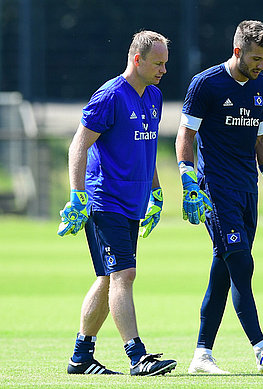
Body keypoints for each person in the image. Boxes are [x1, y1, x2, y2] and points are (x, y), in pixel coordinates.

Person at [175, 20, 263, 374]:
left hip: (246, 189)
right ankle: (260, 347)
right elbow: (184, 135)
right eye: (256, 58)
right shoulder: (206, 84)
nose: (261, 65)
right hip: (217, 190)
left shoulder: (261, 86)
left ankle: (201, 355)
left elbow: (260, 135)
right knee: (241, 262)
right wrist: (189, 181)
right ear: (238, 51)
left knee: (224, 268)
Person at [57, 30, 177, 376]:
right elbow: (78, 146)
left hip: (131, 202)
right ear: (137, 60)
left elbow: (146, 147)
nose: (163, 71)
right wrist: (77, 195)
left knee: (109, 278)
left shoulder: (153, 96)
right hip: (104, 200)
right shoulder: (110, 96)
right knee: (125, 273)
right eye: (158, 64)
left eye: (165, 64)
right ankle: (137, 356)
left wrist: (155, 191)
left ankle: (81, 357)